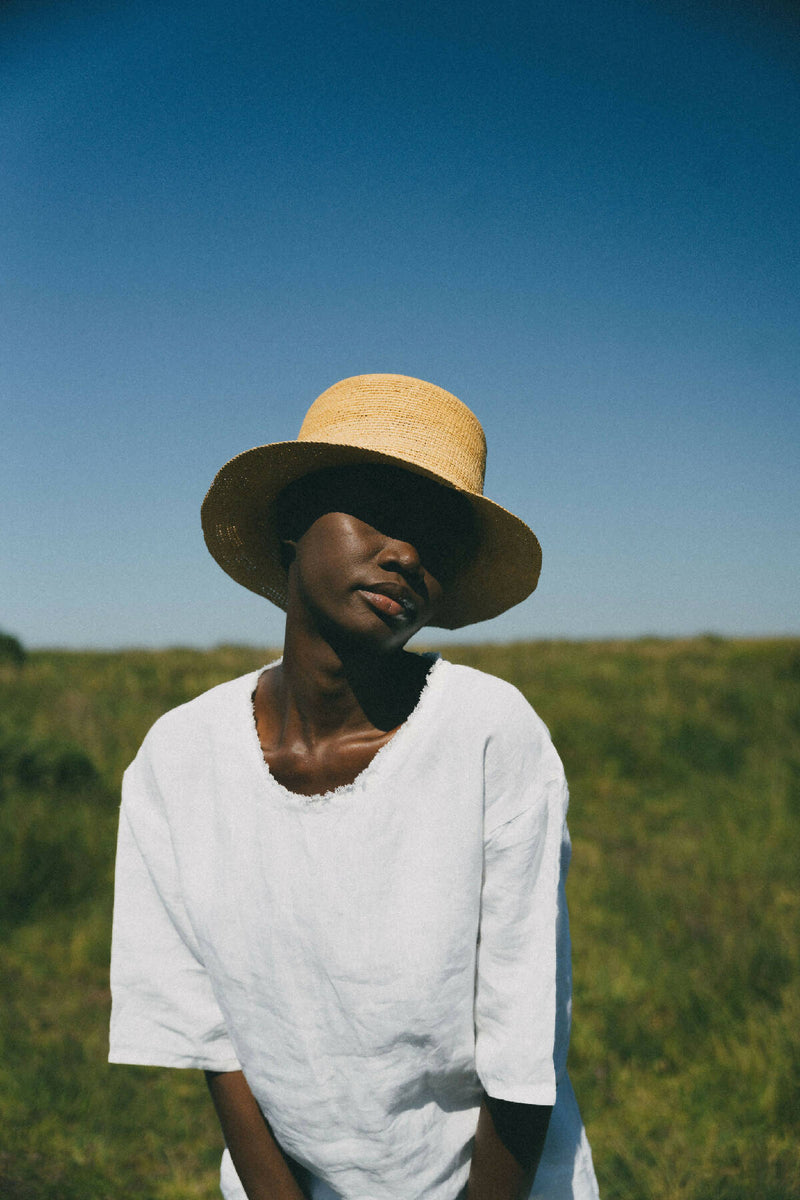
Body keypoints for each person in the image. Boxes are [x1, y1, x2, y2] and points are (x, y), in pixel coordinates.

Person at [109, 373, 600, 1200]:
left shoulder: (488, 734)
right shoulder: (180, 758)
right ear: (295, 527)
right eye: (375, 509)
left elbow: (523, 1043)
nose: (407, 553)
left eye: (436, 539)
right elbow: (210, 1033)